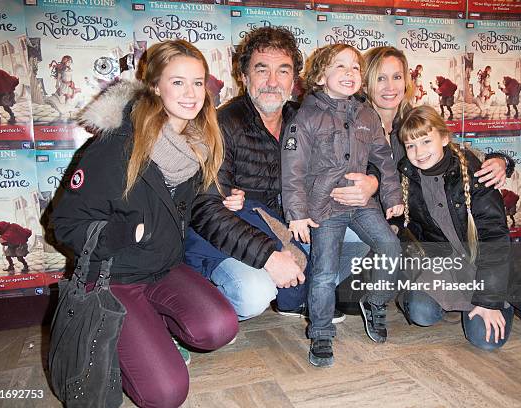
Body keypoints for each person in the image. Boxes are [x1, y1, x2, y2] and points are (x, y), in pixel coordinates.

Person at [51, 40, 238, 408]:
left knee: (219, 327)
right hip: (111, 277)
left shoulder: (196, 144)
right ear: (154, 86)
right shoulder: (118, 144)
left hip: (162, 268)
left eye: (198, 83)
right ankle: (131, 342)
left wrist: (224, 197)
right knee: (166, 394)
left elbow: (186, 204)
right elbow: (65, 223)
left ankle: (149, 329)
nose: (191, 94)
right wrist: (124, 233)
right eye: (178, 82)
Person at [187, 27, 379, 321]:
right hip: (234, 235)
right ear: (244, 76)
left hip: (289, 227)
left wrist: (371, 182)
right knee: (253, 295)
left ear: (295, 80)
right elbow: (204, 210)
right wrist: (268, 256)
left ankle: (301, 292)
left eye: (283, 71)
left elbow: (362, 152)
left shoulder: (304, 117)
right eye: (262, 70)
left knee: (359, 239)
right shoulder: (222, 124)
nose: (273, 82)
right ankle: (202, 299)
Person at [281, 44, 403, 367]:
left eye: (355, 68)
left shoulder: (366, 114)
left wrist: (393, 197)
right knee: (324, 271)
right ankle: (320, 333)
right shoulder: (305, 116)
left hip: (360, 203)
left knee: (391, 246)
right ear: (321, 76)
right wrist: (297, 214)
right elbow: (291, 169)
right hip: (324, 207)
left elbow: (384, 159)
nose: (350, 74)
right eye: (340, 67)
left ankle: (375, 302)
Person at [396, 105, 521, 350]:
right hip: (446, 266)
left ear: (444, 138)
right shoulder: (407, 175)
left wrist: (489, 301)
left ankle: (492, 303)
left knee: (486, 341)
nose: (419, 152)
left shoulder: (475, 173)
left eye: (426, 141)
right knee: (420, 312)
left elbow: (495, 239)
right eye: (411, 145)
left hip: (484, 266)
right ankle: (459, 302)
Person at [361, 46, 513, 188]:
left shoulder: (416, 119)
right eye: (380, 78)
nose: (390, 86)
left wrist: (501, 161)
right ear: (365, 84)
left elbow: (453, 149)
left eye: (397, 77)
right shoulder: (352, 125)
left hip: (412, 215)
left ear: (406, 82)